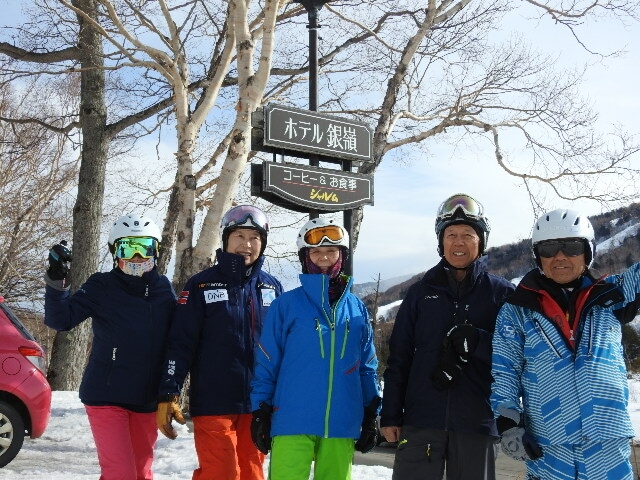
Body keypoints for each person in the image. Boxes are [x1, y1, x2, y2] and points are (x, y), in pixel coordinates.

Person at [491, 208, 638, 479]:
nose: (560, 256)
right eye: (548, 249)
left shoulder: (613, 295)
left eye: (571, 247)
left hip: (607, 442)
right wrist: (508, 423)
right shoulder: (517, 310)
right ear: (538, 256)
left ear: (588, 252)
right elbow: (504, 371)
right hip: (549, 445)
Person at [380, 193, 515, 480]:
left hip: (477, 422)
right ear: (441, 242)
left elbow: (517, 356)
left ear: (481, 241)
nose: (458, 242)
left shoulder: (502, 293)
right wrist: (390, 413)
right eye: (451, 235)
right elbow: (399, 357)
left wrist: (478, 341)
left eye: (468, 235)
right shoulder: (419, 293)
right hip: (421, 419)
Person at [43, 213, 176, 480]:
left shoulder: (163, 289)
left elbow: (177, 342)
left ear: (156, 250)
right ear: (115, 251)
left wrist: (170, 391)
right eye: (128, 247)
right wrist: (57, 280)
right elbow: (61, 320)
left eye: (145, 247)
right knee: (121, 474)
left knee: (141, 473)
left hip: (147, 399)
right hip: (106, 395)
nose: (137, 256)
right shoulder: (101, 285)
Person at [156, 204, 283, 480]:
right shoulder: (201, 285)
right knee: (220, 473)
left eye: (254, 238)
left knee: (251, 473)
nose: (246, 244)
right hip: (213, 401)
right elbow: (181, 342)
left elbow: (283, 348)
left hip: (258, 405)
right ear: (226, 239)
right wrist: (169, 390)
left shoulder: (272, 287)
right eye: (239, 236)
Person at [249, 217, 381, 480]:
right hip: (291, 420)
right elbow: (267, 362)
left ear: (342, 256)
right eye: (316, 251)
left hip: (341, 423)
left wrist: (371, 412)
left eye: (331, 251)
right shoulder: (286, 305)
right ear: (304, 256)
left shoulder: (356, 308)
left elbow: (367, 366)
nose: (324, 258)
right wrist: (261, 410)